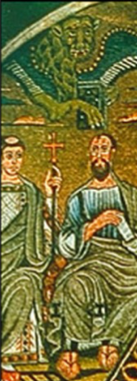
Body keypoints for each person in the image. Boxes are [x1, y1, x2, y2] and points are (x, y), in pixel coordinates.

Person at [51, 132, 137, 376]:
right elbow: (64, 245)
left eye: (104, 148)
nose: (99, 155)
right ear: (89, 155)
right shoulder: (78, 197)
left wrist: (127, 233)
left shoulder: (130, 194)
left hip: (122, 262)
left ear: (113, 153)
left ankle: (111, 340)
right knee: (76, 285)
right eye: (95, 149)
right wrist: (93, 226)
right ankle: (72, 348)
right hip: (88, 259)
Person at [1, 136, 58, 364]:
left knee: (24, 284)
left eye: (18, 156)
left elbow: (45, 230)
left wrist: (50, 196)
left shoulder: (31, 192)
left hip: (21, 266)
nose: (14, 161)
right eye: (8, 156)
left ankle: (7, 352)